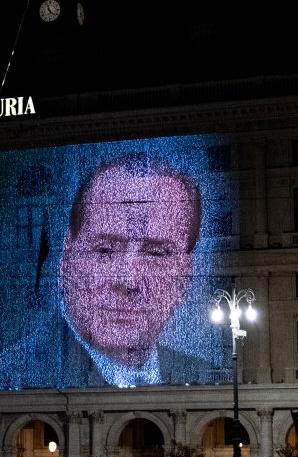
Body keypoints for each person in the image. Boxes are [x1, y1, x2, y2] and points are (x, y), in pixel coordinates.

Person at [56, 152, 205, 387]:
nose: (128, 280)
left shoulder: (201, 375)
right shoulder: (10, 371)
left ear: (185, 274)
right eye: (105, 251)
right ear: (66, 258)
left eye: (157, 253)